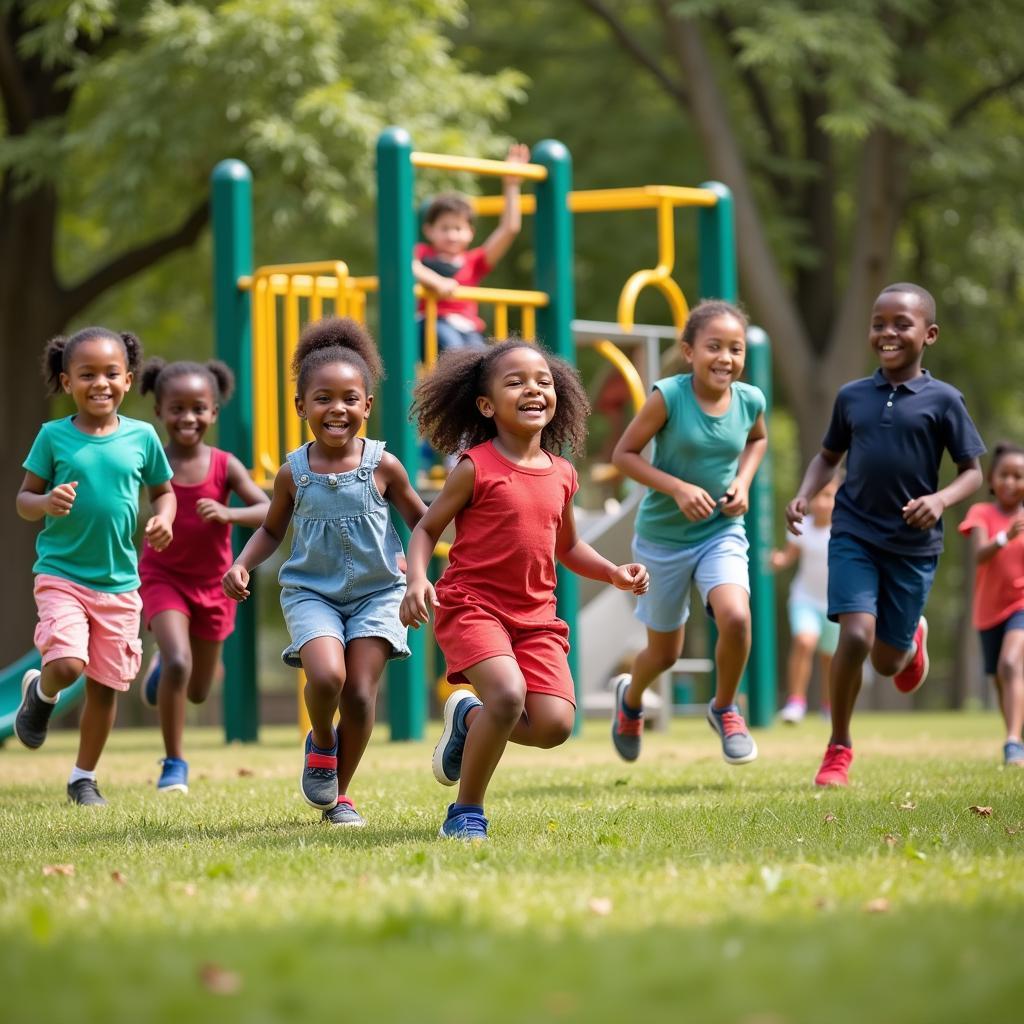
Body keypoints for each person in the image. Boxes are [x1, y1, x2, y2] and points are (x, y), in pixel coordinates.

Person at [400, 340, 649, 841]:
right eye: (515, 382)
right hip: (474, 608)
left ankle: (469, 720)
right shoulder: (475, 466)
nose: (533, 388)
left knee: (554, 725)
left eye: (543, 380)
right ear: (487, 406)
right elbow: (426, 529)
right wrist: (417, 579)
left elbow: (570, 547)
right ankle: (466, 811)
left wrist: (613, 573)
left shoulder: (563, 474)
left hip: (537, 618)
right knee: (509, 696)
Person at [222, 317, 425, 827]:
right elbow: (270, 530)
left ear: (367, 406)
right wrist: (242, 565)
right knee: (328, 675)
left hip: (379, 593)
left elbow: (423, 522)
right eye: (323, 398)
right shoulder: (293, 472)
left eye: (350, 399)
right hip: (312, 592)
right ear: (301, 406)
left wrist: (420, 572)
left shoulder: (385, 466)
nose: (338, 409)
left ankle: (341, 797)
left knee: (359, 692)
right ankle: (323, 741)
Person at [786, 283, 985, 787]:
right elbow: (828, 456)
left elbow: (972, 472)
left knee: (888, 659)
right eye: (880, 323)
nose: (888, 333)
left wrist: (940, 500)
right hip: (854, 532)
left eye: (902, 324)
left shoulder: (944, 400)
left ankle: (910, 642)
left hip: (913, 545)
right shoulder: (853, 396)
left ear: (929, 334)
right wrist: (806, 494)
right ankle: (838, 746)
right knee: (854, 633)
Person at [15, 327, 175, 805]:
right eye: (87, 375)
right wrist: (45, 501)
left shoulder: (143, 437)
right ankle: (42, 693)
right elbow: (23, 500)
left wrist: (164, 519)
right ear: (68, 383)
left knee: (106, 688)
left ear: (128, 380)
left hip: (120, 584)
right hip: (62, 574)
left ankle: (83, 777)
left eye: (110, 373)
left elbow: (163, 493)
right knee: (68, 664)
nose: (100, 383)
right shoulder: (53, 437)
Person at [609, 300, 767, 766]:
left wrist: (743, 481)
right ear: (689, 351)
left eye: (735, 349)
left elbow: (756, 440)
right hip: (662, 539)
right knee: (664, 654)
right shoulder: (669, 396)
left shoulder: (750, 399)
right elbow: (625, 454)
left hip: (721, 530)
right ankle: (631, 701)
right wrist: (678, 488)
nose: (725, 358)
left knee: (736, 616)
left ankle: (724, 707)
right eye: (713, 347)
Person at [138, 358, 270, 794]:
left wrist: (229, 512)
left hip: (213, 585)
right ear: (159, 411)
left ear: (214, 412)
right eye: (176, 408)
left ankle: (163, 671)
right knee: (179, 660)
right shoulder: (149, 458)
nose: (188, 418)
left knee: (196, 689)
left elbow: (268, 510)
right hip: (162, 576)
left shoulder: (224, 465)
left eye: (198, 408)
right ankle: (174, 763)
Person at [412, 143, 529, 355]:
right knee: (453, 347)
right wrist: (436, 281)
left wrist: (511, 185)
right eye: (444, 228)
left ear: (470, 233)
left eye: (458, 228)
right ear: (429, 231)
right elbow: (408, 266)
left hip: (467, 327)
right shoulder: (422, 253)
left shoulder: (473, 262)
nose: (451, 235)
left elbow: (509, 229)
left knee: (483, 358)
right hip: (431, 323)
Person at [958, 442, 1024, 766]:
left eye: (1019, 476)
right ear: (992, 480)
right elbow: (979, 553)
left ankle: (1012, 743)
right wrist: (1005, 537)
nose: (1011, 482)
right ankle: (1017, 734)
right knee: (999, 677)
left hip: (1020, 605)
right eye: (1005, 475)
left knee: (1010, 664)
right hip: (988, 610)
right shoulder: (981, 513)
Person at [770, 478, 840, 723]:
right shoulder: (804, 528)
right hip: (805, 599)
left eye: (829, 496)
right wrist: (778, 560)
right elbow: (789, 556)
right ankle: (796, 703)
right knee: (804, 641)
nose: (822, 503)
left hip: (835, 604)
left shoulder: (844, 529)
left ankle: (829, 705)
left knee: (830, 658)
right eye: (818, 496)